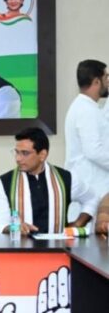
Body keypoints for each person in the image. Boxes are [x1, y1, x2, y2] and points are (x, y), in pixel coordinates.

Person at [0, 127, 99, 235]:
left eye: (25, 153)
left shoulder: (66, 178)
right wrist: (15, 228)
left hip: (59, 247)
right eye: (17, 152)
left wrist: (78, 223)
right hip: (21, 248)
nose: (18, 158)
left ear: (42, 155)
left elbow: (92, 199)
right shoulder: (2, 183)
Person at [64, 59, 109, 218]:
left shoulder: (88, 107)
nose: (108, 82)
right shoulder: (86, 110)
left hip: (94, 186)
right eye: (106, 77)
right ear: (96, 81)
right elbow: (93, 151)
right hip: (89, 187)